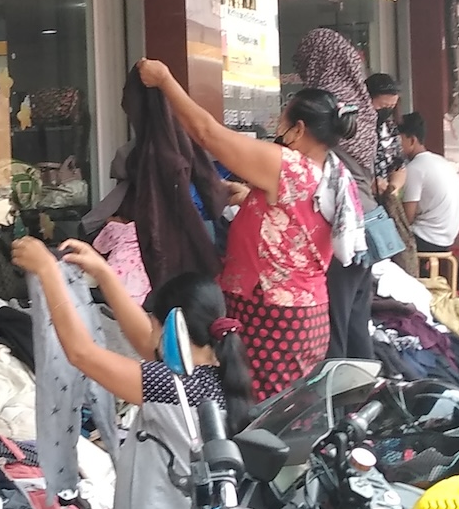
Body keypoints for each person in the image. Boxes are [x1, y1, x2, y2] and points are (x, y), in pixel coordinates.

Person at [137, 58, 365, 401]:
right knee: (283, 412)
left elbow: (206, 133)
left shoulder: (288, 165)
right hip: (305, 318)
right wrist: (252, 200)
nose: (278, 132)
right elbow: (294, 221)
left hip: (271, 318)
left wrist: (166, 80)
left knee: (260, 416)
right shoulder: (333, 173)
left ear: (299, 130)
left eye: (282, 122)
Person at [11, 236, 252, 509]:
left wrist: (48, 272)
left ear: (173, 331)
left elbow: (81, 353)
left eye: (155, 327)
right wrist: (104, 274)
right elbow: (145, 340)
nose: (149, 338)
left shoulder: (174, 386)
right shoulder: (208, 371)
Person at [294, 28, 378, 361]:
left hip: (340, 226)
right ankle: (364, 402)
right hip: (367, 220)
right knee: (357, 321)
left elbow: (306, 165)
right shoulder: (361, 104)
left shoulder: (324, 104)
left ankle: (336, 406)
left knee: (334, 325)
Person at [399, 112, 459, 252]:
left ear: (412, 140)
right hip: (447, 239)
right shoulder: (440, 161)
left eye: (400, 141)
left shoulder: (414, 168)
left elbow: (406, 219)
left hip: (427, 239)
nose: (396, 147)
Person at [365, 73, 406, 194]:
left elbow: (399, 166)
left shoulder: (389, 128)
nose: (387, 110)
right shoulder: (355, 129)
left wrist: (393, 187)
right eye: (383, 106)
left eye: (391, 106)